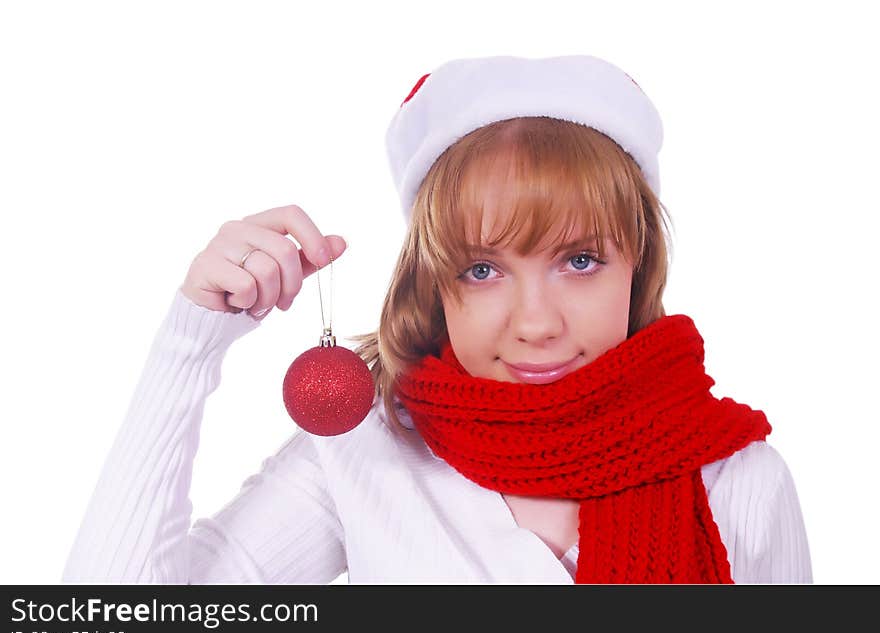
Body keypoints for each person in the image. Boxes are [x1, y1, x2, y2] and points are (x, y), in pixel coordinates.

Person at [61, 55, 812, 584]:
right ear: (435, 281)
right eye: (483, 269)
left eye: (580, 259)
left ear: (638, 263)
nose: (537, 321)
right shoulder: (362, 455)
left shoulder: (739, 479)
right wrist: (190, 344)